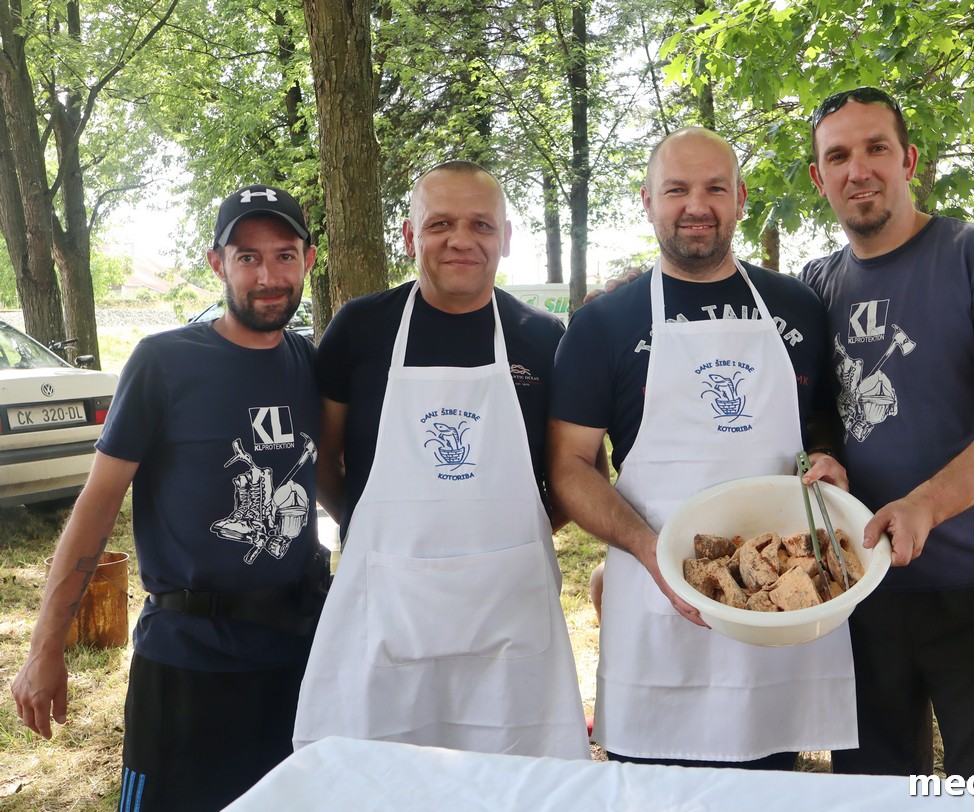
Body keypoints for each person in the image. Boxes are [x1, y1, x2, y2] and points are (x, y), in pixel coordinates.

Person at [547, 127, 856, 770]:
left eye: (715, 188)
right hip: (655, 598)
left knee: (769, 780)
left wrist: (828, 456)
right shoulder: (603, 324)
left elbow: (821, 418)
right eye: (676, 190)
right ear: (647, 202)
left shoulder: (797, 306)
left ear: (740, 198)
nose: (696, 205)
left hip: (777, 595)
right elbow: (569, 466)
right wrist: (649, 552)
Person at [11, 184, 324, 811]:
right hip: (188, 664)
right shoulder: (164, 363)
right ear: (217, 263)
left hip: (298, 661)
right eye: (248, 257)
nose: (268, 276)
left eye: (284, 256)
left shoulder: (310, 363)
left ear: (308, 261)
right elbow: (98, 505)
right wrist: (46, 647)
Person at [801, 87, 974, 812]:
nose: (858, 170)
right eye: (838, 156)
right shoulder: (815, 285)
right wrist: (822, 453)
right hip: (858, 586)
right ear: (820, 178)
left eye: (876, 148)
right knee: (875, 793)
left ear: (909, 160)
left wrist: (926, 504)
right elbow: (819, 412)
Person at [291, 161, 589, 759]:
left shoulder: (542, 337)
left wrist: (511, 539)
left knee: (514, 781)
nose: (461, 240)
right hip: (389, 608)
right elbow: (322, 458)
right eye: (440, 224)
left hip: (511, 617)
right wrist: (377, 531)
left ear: (506, 237)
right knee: (384, 777)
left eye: (481, 224)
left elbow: (574, 476)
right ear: (409, 235)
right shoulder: (361, 329)